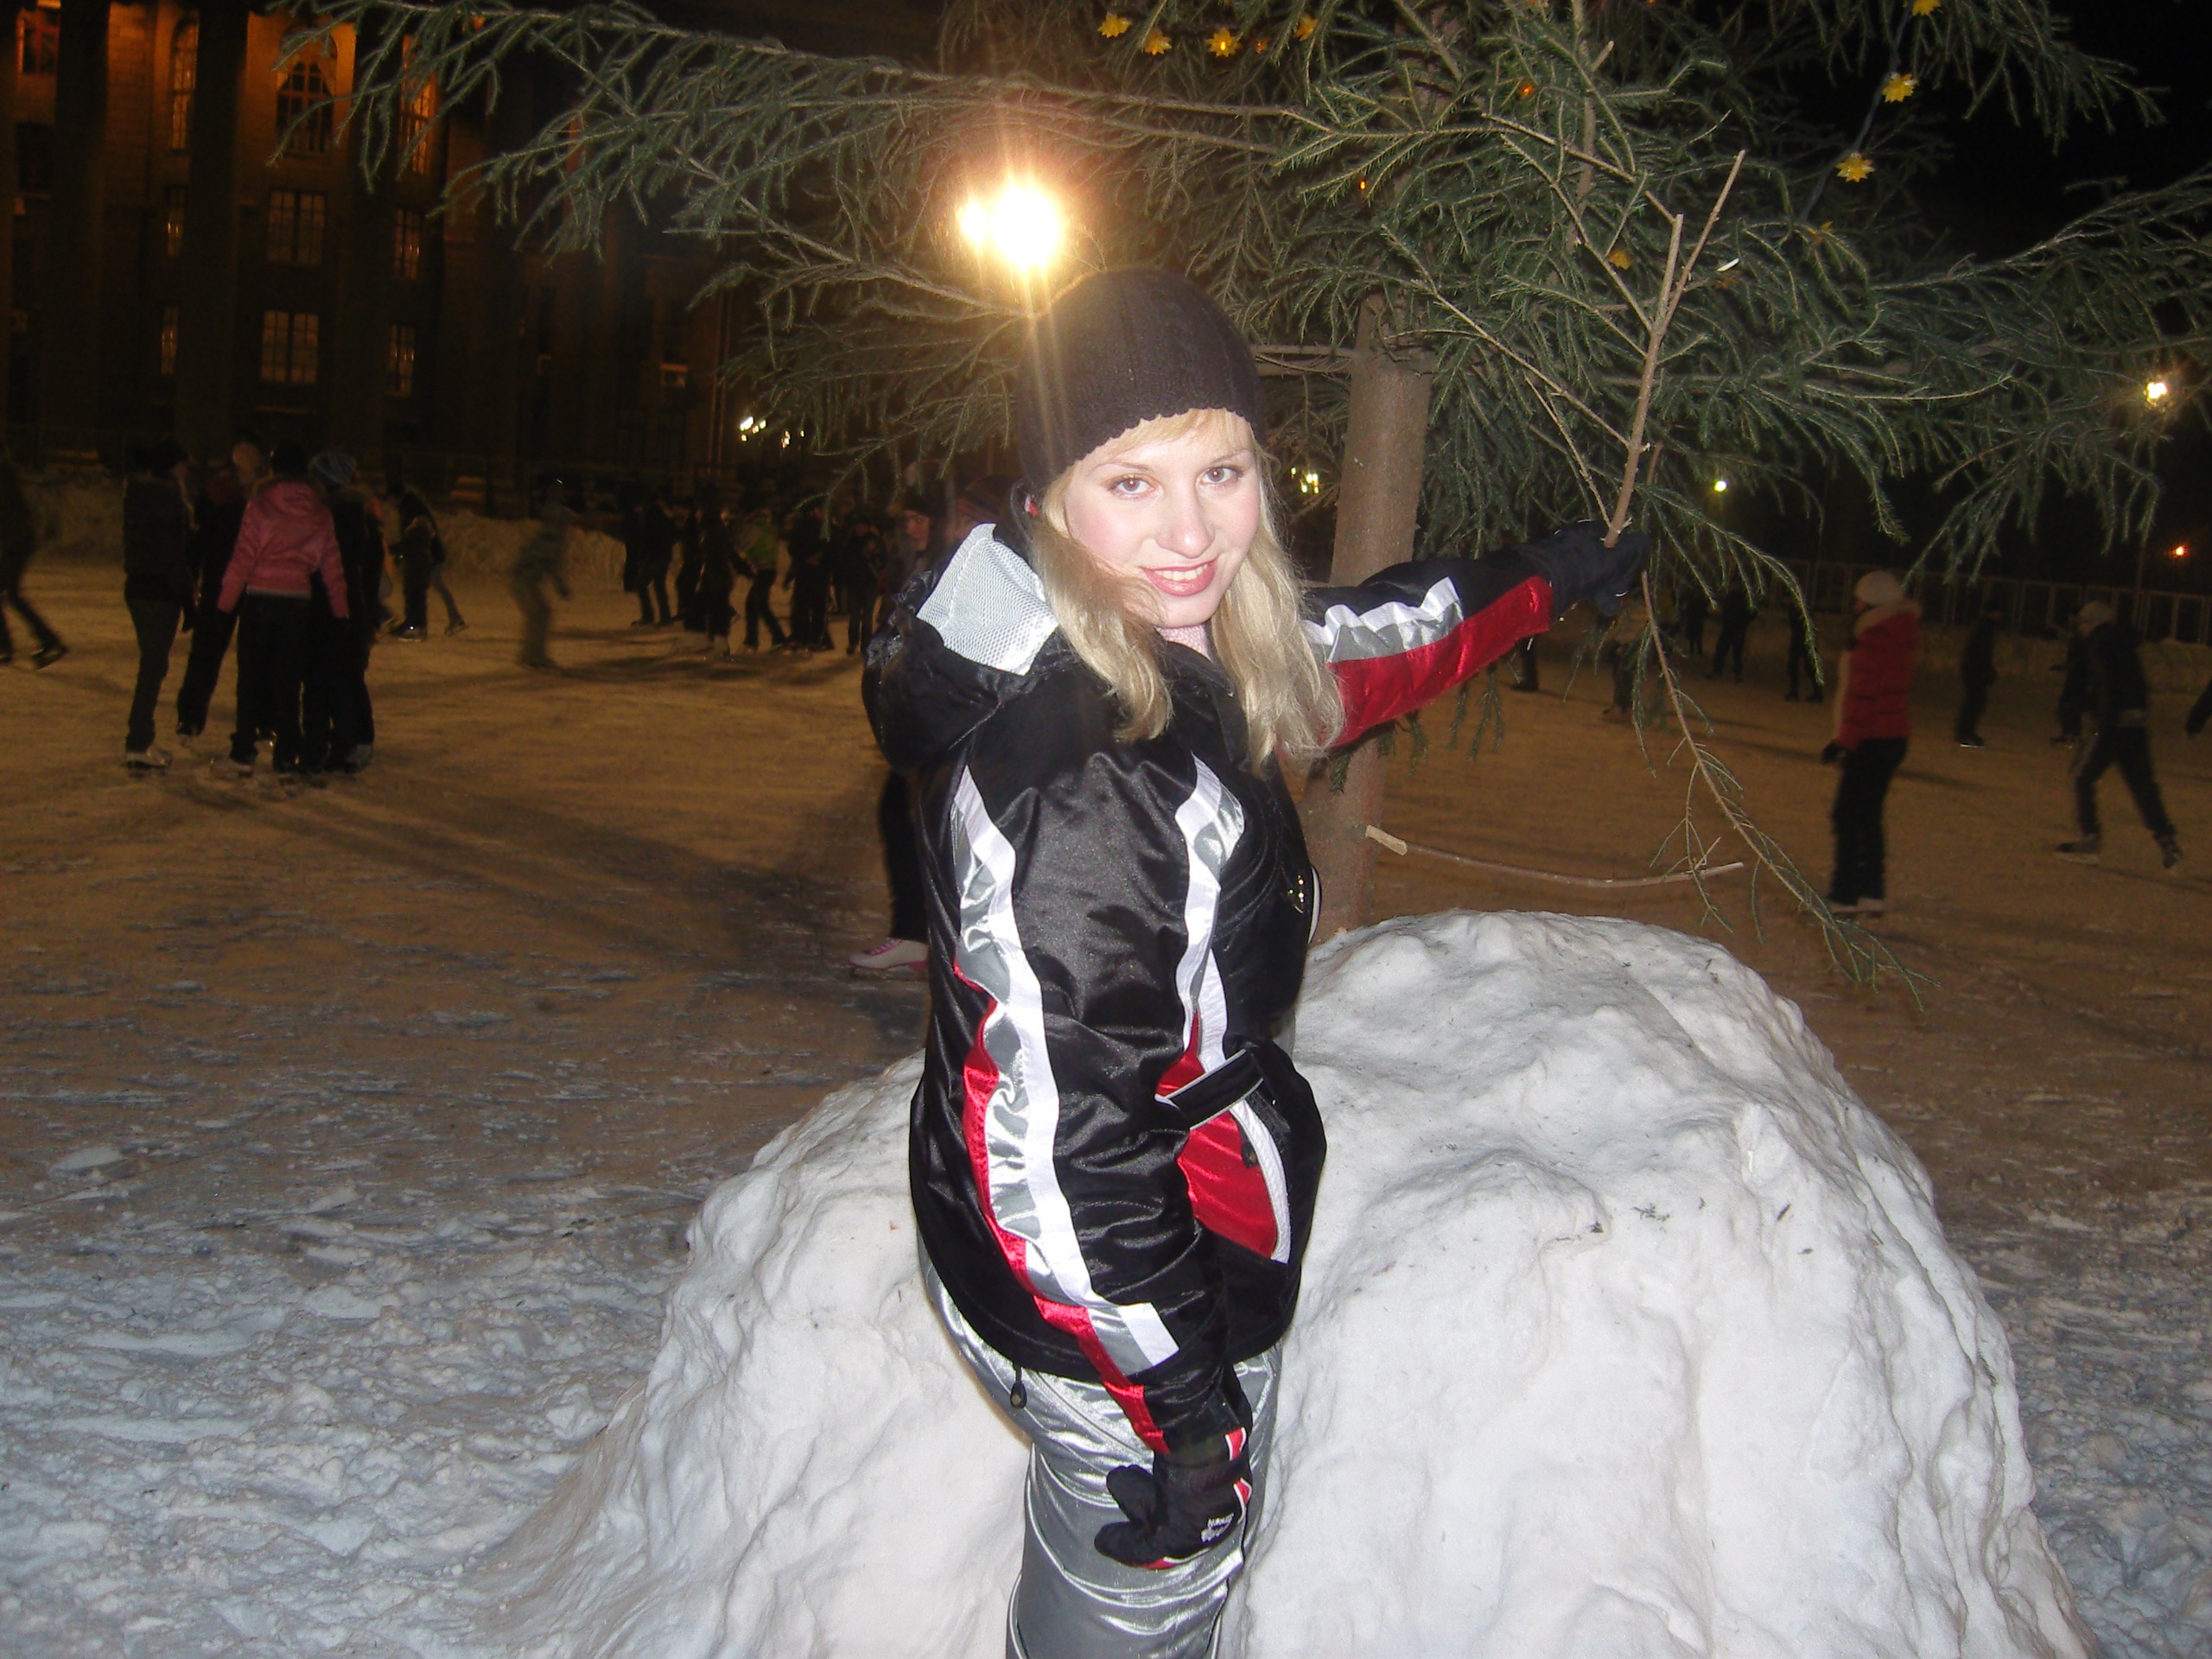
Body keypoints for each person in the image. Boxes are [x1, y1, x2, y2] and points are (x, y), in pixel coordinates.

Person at [865, 268, 1645, 1659]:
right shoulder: (1089, 782)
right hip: (1108, 1300)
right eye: (1131, 482)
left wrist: (1541, 581)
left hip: (1154, 1246)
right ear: (1049, 501)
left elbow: (1349, 649)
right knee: (1146, 1597)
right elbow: (1057, 1149)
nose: (1190, 532)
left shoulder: (1176, 637)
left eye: (1220, 471)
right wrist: (1177, 1410)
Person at [214, 442, 346, 779]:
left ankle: (244, 752)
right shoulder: (320, 512)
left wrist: (225, 603)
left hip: (260, 598)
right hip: (296, 602)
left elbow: (243, 556)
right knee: (288, 683)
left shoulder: (260, 505)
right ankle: (287, 756)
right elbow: (331, 565)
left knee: (251, 680)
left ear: (273, 470)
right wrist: (340, 610)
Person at [1820, 570, 1917, 917]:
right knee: (1868, 816)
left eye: (1860, 599)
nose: (1856, 605)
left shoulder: (1876, 637)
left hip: (1871, 740)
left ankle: (1845, 893)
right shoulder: (1898, 633)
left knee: (1847, 816)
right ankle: (1871, 891)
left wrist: (1843, 742)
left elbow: (1863, 698)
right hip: (1890, 737)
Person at [2056, 601, 2181, 870]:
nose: (2081, 630)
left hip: (2113, 725)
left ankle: (2089, 838)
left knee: (2081, 776)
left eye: (2083, 624)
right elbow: (2135, 686)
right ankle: (2166, 839)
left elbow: (2107, 685)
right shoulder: (2125, 643)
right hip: (2136, 724)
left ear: (2092, 624)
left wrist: (2092, 709)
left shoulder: (2099, 643)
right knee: (2143, 784)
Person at [301, 453, 384, 774]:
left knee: (334, 677)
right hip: (352, 605)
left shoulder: (333, 517)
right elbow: (371, 570)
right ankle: (349, 741)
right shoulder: (360, 516)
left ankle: (349, 742)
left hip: (333, 604)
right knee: (345, 675)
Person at [120, 440, 197, 770]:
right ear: (172, 465)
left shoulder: (137, 494)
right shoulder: (168, 499)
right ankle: (138, 743)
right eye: (183, 463)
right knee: (152, 667)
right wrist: (188, 598)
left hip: (138, 588)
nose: (187, 470)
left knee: (152, 665)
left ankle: (141, 739)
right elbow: (173, 554)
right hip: (160, 592)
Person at [0, 445, 67, 669]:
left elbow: (10, 516)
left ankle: (47, 641)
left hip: (17, 543)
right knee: (10, 594)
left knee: (12, 594)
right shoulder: (6, 477)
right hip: (17, 542)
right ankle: (10, 646)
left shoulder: (4, 479)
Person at [512, 495, 575, 670]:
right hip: (524, 581)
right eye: (565, 522)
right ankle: (532, 655)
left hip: (526, 580)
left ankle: (532, 654)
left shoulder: (550, 538)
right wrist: (561, 587)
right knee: (539, 614)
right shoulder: (551, 539)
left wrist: (560, 586)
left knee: (540, 614)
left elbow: (550, 565)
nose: (567, 526)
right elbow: (552, 566)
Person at [694, 484, 739, 658]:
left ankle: (721, 643)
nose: (697, 514)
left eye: (699, 511)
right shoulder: (711, 530)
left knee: (715, 610)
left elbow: (724, 554)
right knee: (710, 608)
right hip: (715, 577)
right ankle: (715, 639)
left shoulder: (714, 531)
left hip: (717, 578)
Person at [390, 486, 440, 639]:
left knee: (414, 599)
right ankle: (416, 624)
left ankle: (414, 625)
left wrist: (390, 549)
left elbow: (405, 546)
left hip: (415, 573)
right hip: (418, 573)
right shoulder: (421, 539)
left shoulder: (416, 537)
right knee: (417, 599)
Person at [738, 496, 786, 650]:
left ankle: (776, 638)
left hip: (763, 570)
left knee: (759, 605)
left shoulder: (753, 527)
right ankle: (757, 639)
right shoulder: (766, 525)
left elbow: (741, 545)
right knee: (755, 604)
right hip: (768, 569)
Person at [1955, 604, 1999, 748]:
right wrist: (1987, 671)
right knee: (1975, 702)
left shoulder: (1982, 626)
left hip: (1972, 669)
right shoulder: (1987, 627)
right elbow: (1983, 652)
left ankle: (1965, 731)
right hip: (1975, 670)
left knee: (1974, 701)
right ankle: (1965, 732)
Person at [636, 487, 676, 626]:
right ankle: (665, 616)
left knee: (641, 584)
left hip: (655, 556)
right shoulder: (664, 516)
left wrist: (644, 557)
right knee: (659, 586)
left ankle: (649, 615)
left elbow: (648, 539)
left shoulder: (651, 517)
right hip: (664, 555)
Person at [1709, 576, 1752, 681]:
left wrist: (1743, 624)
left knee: (1737, 653)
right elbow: (1725, 611)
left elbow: (1749, 613)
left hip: (1738, 628)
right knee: (1721, 650)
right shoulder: (1730, 597)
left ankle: (1737, 673)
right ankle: (1717, 671)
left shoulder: (1743, 598)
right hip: (1728, 627)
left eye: (1735, 584)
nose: (1733, 586)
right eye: (1732, 584)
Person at [1783, 605, 1819, 702]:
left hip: (1802, 639)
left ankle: (1796, 691)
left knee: (1803, 666)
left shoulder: (1799, 609)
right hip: (1803, 639)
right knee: (1802, 666)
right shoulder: (1800, 608)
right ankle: (1815, 691)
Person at [1675, 578, 1709, 659]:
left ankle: (1698, 650)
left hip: (1697, 618)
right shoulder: (1692, 597)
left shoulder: (1699, 598)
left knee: (1698, 635)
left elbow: (1703, 607)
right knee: (1693, 635)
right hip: (1693, 618)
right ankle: (1693, 650)